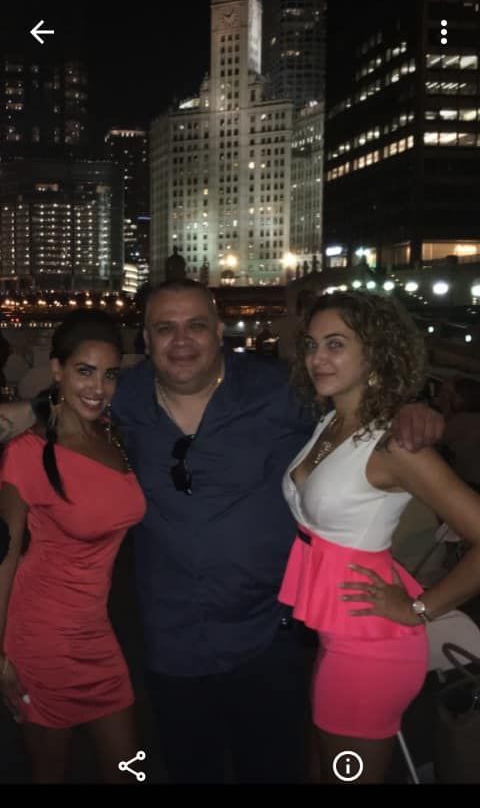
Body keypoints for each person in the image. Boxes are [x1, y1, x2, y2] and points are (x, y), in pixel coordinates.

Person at [0, 280, 443, 784]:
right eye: (165, 328)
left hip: (270, 634)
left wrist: (412, 407)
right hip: (171, 638)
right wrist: (27, 412)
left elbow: (357, 406)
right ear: (145, 340)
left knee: (273, 768)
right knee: (188, 767)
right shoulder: (125, 397)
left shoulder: (283, 389)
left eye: (196, 326)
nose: (181, 340)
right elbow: (64, 407)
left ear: (220, 331)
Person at [279, 291, 480, 783]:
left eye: (335, 344)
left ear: (375, 353)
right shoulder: (331, 422)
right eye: (311, 344)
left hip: (370, 644)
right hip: (335, 630)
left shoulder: (395, 445)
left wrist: (419, 609)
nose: (317, 358)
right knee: (325, 766)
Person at [0, 309, 146, 784]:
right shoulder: (25, 454)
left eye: (109, 375)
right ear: (57, 370)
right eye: (84, 370)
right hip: (41, 638)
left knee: (129, 767)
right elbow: (4, 556)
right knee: (50, 771)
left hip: (96, 634)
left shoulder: (112, 435)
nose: (97, 387)